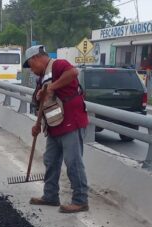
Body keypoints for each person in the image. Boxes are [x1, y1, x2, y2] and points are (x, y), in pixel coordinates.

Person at [24, 45, 90, 213]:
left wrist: (52, 87)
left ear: (36, 59)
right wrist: (37, 124)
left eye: (31, 66)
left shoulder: (58, 65)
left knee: (73, 161)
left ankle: (81, 200)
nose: (31, 70)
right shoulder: (41, 78)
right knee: (50, 160)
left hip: (71, 122)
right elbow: (42, 104)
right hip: (54, 124)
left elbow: (73, 73)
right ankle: (51, 195)